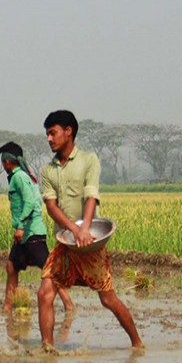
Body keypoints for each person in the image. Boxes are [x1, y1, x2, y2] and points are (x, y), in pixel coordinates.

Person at [37, 110, 144, 349]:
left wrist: (84, 229)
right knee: (45, 293)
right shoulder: (48, 170)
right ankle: (47, 349)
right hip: (65, 243)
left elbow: (91, 196)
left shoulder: (88, 160)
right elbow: (51, 206)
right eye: (47, 134)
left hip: (90, 245)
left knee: (107, 298)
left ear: (68, 132)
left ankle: (137, 343)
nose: (49, 139)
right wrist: (74, 232)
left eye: (53, 133)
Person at [0, 141, 74, 313]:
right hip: (26, 234)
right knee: (11, 267)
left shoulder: (19, 177)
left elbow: (31, 202)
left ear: (8, 162)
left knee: (49, 269)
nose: (3, 165)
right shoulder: (21, 177)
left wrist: (20, 227)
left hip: (31, 232)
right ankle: (7, 307)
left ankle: (68, 304)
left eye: (3, 162)